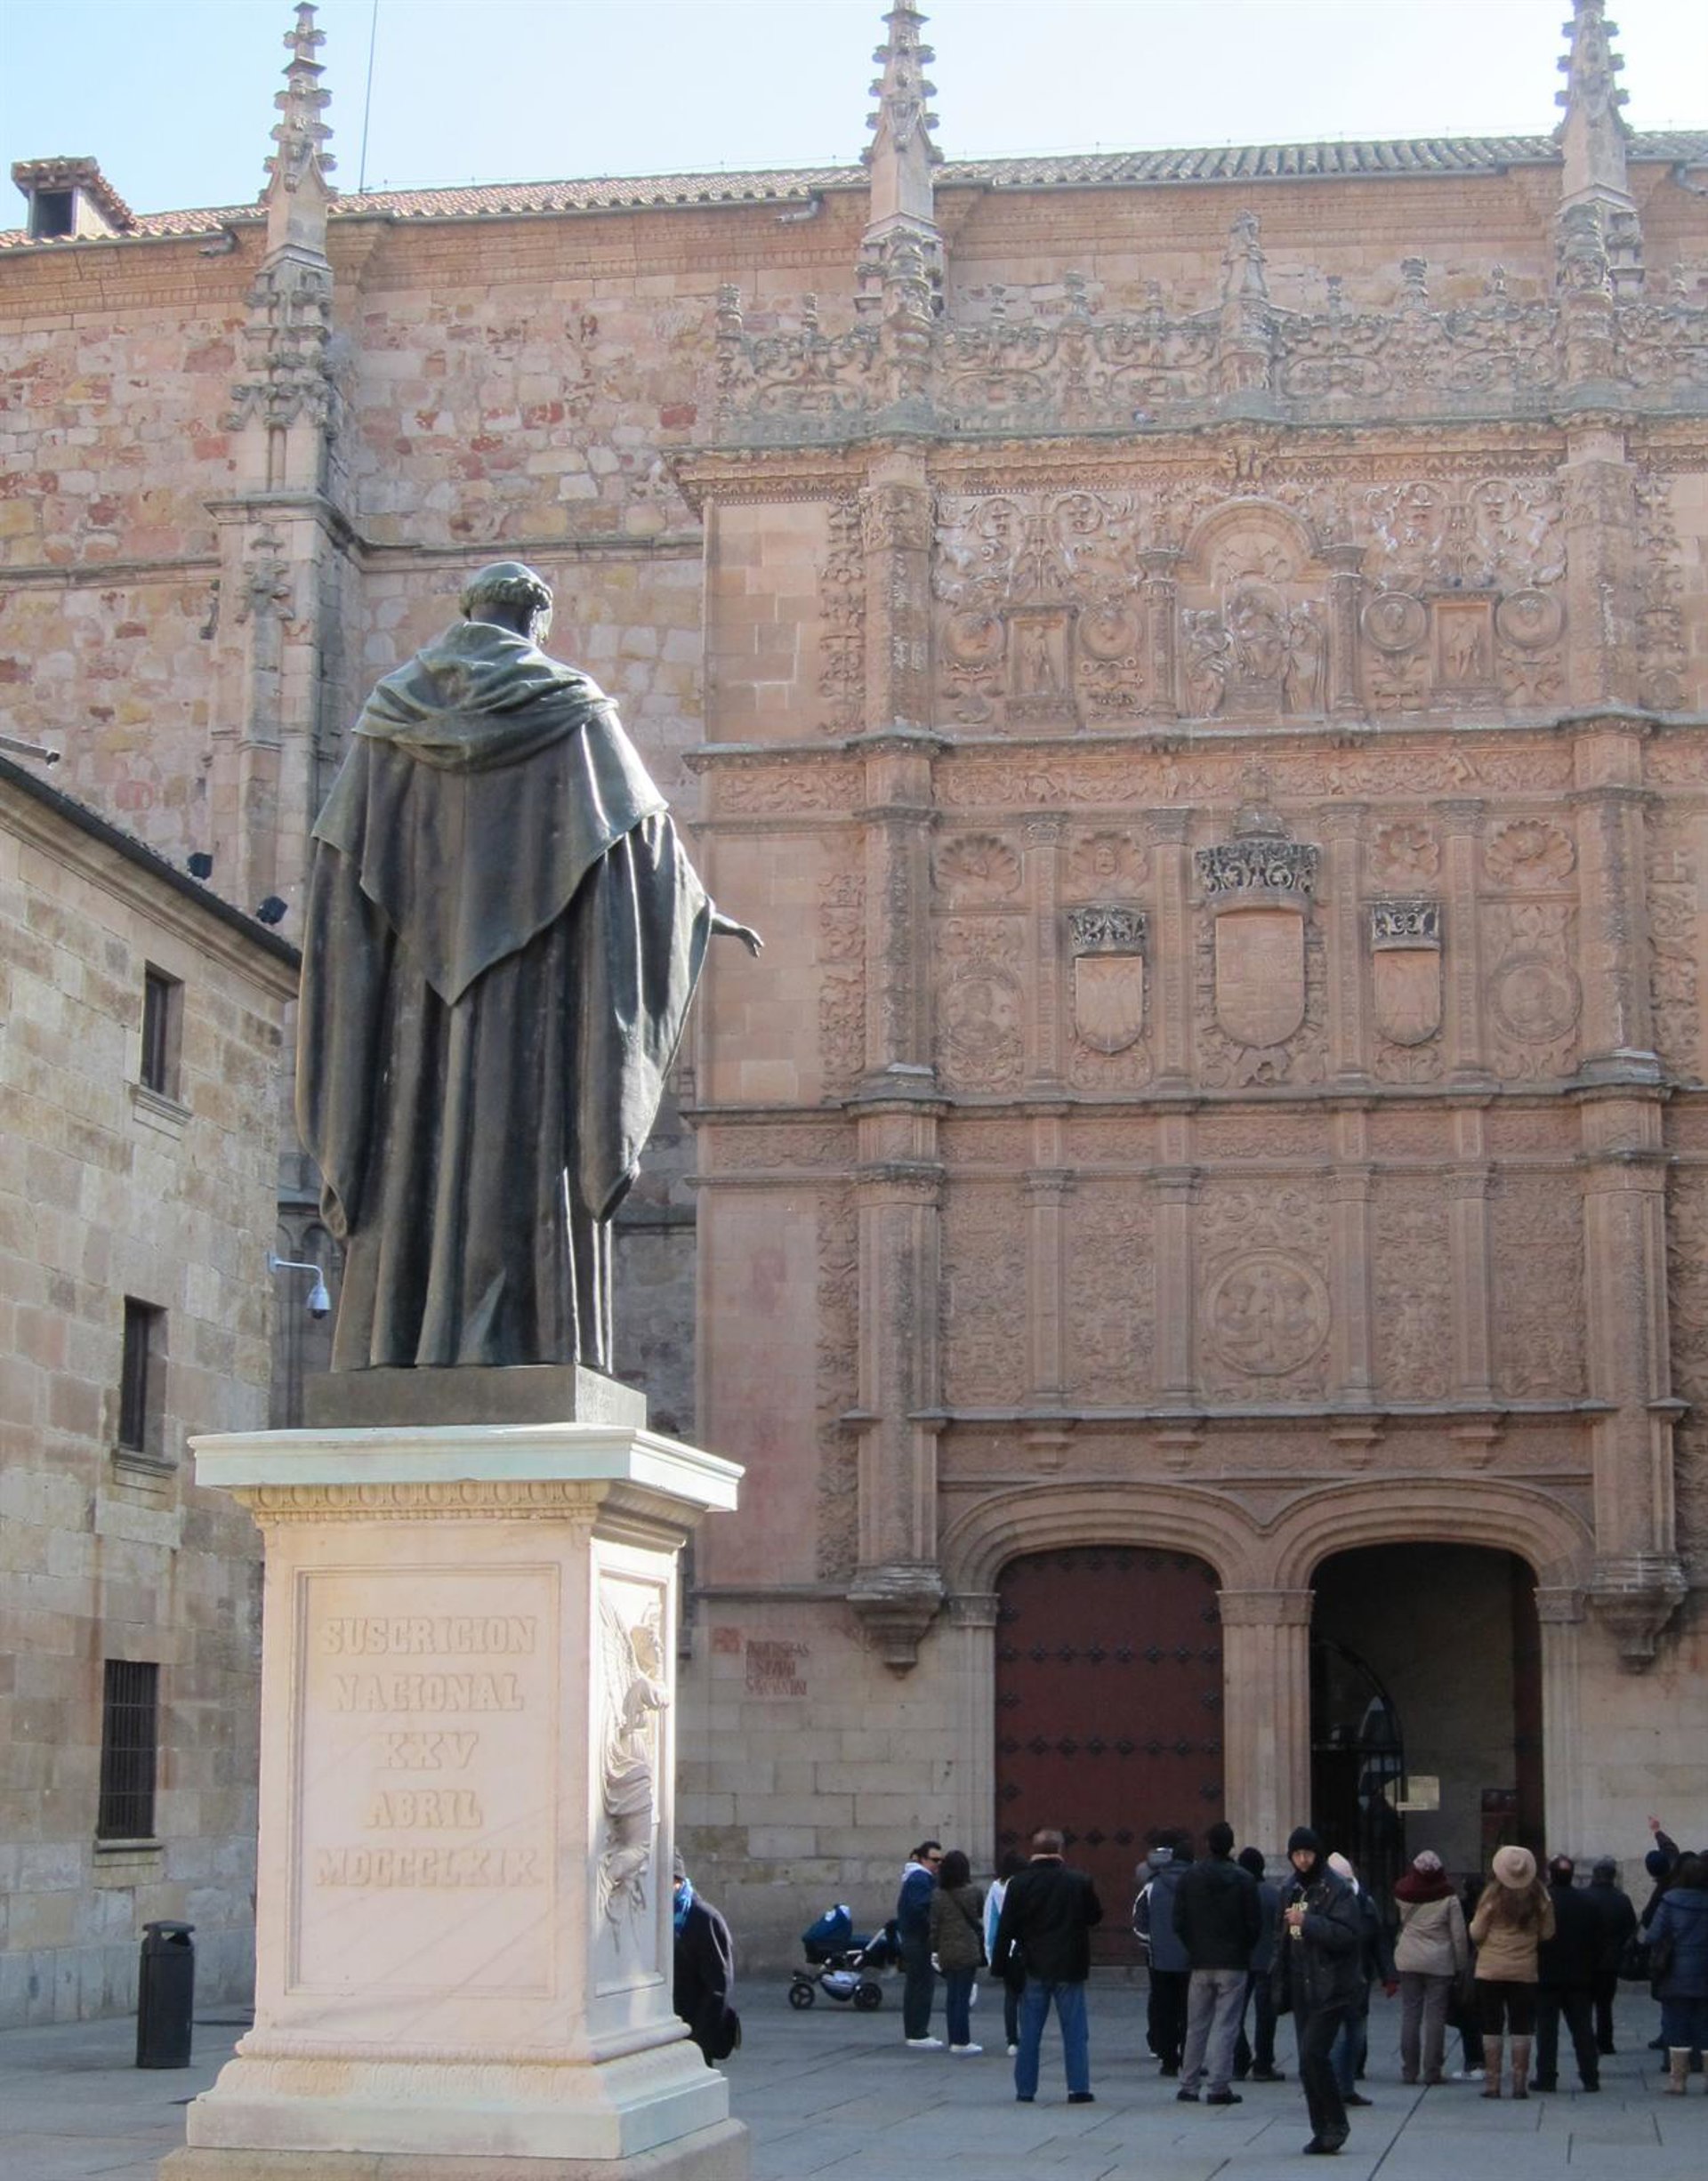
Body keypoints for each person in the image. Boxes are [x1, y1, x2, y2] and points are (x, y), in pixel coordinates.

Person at [297, 559, 761, 1372]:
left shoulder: (388, 718)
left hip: (413, 1006)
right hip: (534, 999)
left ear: (469, 612)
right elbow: (640, 847)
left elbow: (341, 868)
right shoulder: (573, 710)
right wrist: (696, 911)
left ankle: (397, 1339)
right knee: (523, 1155)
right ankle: (523, 1340)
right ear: (536, 624)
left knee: (413, 1143)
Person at [991, 1826, 1104, 2105]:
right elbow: (1094, 1916)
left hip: (1033, 1964)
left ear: (1034, 1850)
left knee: (1030, 2031)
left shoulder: (1019, 1884)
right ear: (1060, 1850)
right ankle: (1078, 2088)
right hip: (1070, 1964)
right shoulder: (1079, 1881)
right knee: (1075, 2031)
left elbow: (1006, 1927)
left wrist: (999, 1965)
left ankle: (1025, 2089)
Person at [1274, 1826, 1364, 2157]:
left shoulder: (1335, 1889)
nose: (1302, 1860)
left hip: (1331, 1984)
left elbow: (1347, 1934)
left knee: (1314, 2053)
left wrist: (1307, 1921)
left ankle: (1336, 2124)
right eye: (1297, 1855)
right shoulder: (1290, 1888)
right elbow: (1282, 1938)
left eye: (1307, 1854)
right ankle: (1321, 2129)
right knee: (1306, 2062)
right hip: (1302, 1982)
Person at [1173, 1821, 1261, 2106]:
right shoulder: (1244, 1879)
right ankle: (1218, 2086)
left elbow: (1179, 1921)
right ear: (1231, 1845)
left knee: (1195, 2025)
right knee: (1226, 2025)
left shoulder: (1190, 1877)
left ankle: (1188, 2084)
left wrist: (1193, 1947)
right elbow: (1254, 1924)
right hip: (1233, 1962)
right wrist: (1242, 1948)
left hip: (1200, 1961)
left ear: (1208, 1844)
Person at [1469, 1844, 1556, 2099]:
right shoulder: (1541, 1898)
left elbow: (1476, 1933)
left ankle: (1493, 2084)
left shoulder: (1491, 1898)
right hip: (1524, 1970)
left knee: (1491, 2025)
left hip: (1490, 1970)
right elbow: (1548, 1933)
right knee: (1522, 2026)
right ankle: (1519, 2083)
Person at [1393, 1849, 1468, 2088]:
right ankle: (1432, 2070)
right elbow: (1458, 1935)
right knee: (1435, 2017)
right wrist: (1461, 1964)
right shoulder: (1448, 1897)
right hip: (1439, 1961)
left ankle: (1409, 2070)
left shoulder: (1402, 1893)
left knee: (1410, 2014)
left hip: (1408, 1957)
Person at [1326, 1851, 1395, 2109]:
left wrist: (1389, 1975)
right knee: (1338, 2038)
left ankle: (1347, 2087)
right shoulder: (1307, 1897)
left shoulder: (1366, 1903)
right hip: (1328, 1979)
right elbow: (1296, 1934)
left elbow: (1378, 1940)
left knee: (1356, 2037)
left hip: (1358, 1978)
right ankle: (1334, 2089)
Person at [1534, 1855, 1601, 2092]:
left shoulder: (1542, 1903)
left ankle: (1546, 2076)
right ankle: (1590, 2076)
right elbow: (1597, 1940)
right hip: (1579, 1976)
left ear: (1550, 1874)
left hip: (1546, 1975)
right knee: (1583, 2028)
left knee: (1546, 2030)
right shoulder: (1588, 1903)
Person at [1649, 1851, 1708, 2096]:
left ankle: (1678, 2080)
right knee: (1706, 2026)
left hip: (1675, 1972)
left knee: (1676, 2025)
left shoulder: (1670, 1900)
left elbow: (1653, 1934)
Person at [672, 1854, 738, 2064]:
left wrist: (699, 2040)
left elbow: (719, 1985)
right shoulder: (653, 1916)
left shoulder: (705, 1918)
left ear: (677, 1881)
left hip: (694, 2031)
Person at [1133, 1834, 1191, 2074]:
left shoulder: (1152, 1885)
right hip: (1191, 1959)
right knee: (1190, 2011)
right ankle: (1190, 2058)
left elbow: (1139, 1919)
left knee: (1164, 2008)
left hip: (1159, 1959)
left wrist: (1149, 1944)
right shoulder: (1198, 1884)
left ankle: (1168, 2060)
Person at [1233, 1846, 1285, 2083]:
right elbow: (1287, 1928)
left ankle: (1239, 2059)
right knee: (1266, 2016)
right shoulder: (1274, 1894)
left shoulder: (1236, 1894)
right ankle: (1263, 2063)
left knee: (1234, 2014)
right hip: (1268, 1962)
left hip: (1240, 1960)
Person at [929, 1848, 987, 2056]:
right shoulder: (974, 1892)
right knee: (963, 1996)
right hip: (967, 1948)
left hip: (946, 1949)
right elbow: (979, 1914)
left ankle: (954, 2037)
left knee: (952, 1996)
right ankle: (962, 2040)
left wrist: (934, 1948)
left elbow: (934, 1926)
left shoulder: (937, 1895)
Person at [1585, 1856, 1637, 2056]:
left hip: (1587, 1959)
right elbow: (1631, 1929)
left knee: (1584, 2005)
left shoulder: (1584, 1897)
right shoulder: (1621, 1899)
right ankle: (1606, 2043)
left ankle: (1586, 2041)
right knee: (1604, 2005)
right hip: (1611, 1960)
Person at [897, 1840, 944, 2048]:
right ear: (923, 1859)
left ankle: (915, 2031)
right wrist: (932, 1928)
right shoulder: (920, 1879)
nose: (938, 1864)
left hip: (914, 1938)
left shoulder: (918, 1878)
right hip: (918, 1939)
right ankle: (917, 2033)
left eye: (940, 1860)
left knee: (918, 1984)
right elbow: (921, 1909)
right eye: (934, 1860)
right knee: (921, 1985)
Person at [987, 1848, 1027, 2056]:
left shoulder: (996, 1888)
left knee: (1011, 1996)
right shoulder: (1027, 1885)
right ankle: (1028, 2035)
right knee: (1029, 1996)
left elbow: (991, 1922)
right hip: (1027, 1946)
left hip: (1006, 1948)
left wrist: (991, 1955)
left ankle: (1012, 2039)